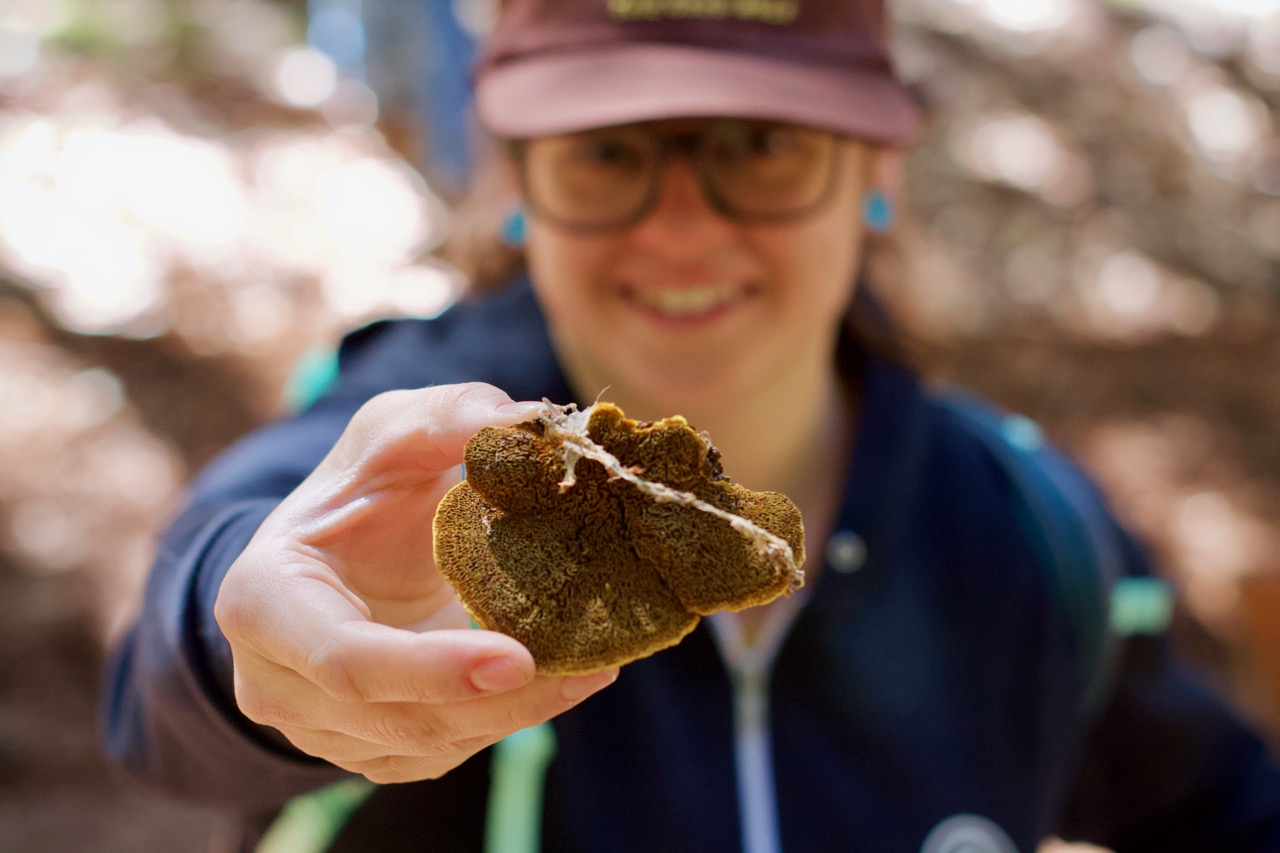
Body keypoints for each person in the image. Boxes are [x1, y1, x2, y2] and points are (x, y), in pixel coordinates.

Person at [102, 1, 1280, 851]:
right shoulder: (410, 448)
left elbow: (1217, 803)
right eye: (608, 154)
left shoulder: (1033, 536)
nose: (677, 227)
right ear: (516, 187)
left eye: (756, 147)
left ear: (878, 170)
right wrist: (244, 647)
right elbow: (190, 638)